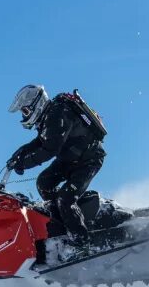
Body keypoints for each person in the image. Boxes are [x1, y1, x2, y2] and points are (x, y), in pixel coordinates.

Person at [6, 85, 106, 247]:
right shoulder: (50, 117)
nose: (25, 116)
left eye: (25, 111)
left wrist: (25, 163)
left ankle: (83, 243)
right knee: (44, 183)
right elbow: (41, 141)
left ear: (35, 104)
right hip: (70, 159)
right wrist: (20, 154)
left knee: (65, 199)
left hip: (88, 160)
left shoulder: (58, 113)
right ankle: (61, 226)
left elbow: (50, 149)